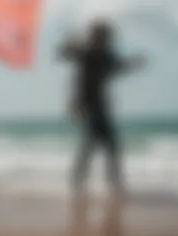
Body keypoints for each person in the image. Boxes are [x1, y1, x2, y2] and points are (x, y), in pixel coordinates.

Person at [57, 19, 147, 195]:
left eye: (104, 37)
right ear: (92, 37)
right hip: (86, 107)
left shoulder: (107, 56)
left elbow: (119, 67)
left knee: (112, 146)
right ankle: (78, 184)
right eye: (98, 36)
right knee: (89, 144)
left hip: (102, 107)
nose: (101, 40)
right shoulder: (85, 53)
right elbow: (64, 53)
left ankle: (115, 184)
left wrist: (134, 63)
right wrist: (68, 45)